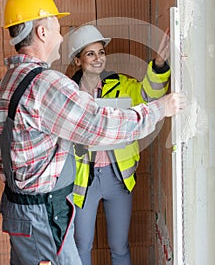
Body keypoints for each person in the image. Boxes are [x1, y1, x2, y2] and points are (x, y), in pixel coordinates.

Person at [0, 0, 186, 265]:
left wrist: (159, 69)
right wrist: (161, 109)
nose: (60, 37)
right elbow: (99, 126)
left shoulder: (10, 80)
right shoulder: (49, 85)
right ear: (41, 32)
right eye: (57, 28)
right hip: (44, 214)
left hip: (22, 212)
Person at [68, 24, 171, 265]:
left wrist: (158, 67)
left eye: (101, 52)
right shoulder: (69, 92)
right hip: (84, 181)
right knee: (82, 245)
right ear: (77, 60)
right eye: (90, 53)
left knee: (120, 246)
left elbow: (148, 97)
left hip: (118, 179)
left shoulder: (121, 84)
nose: (97, 58)